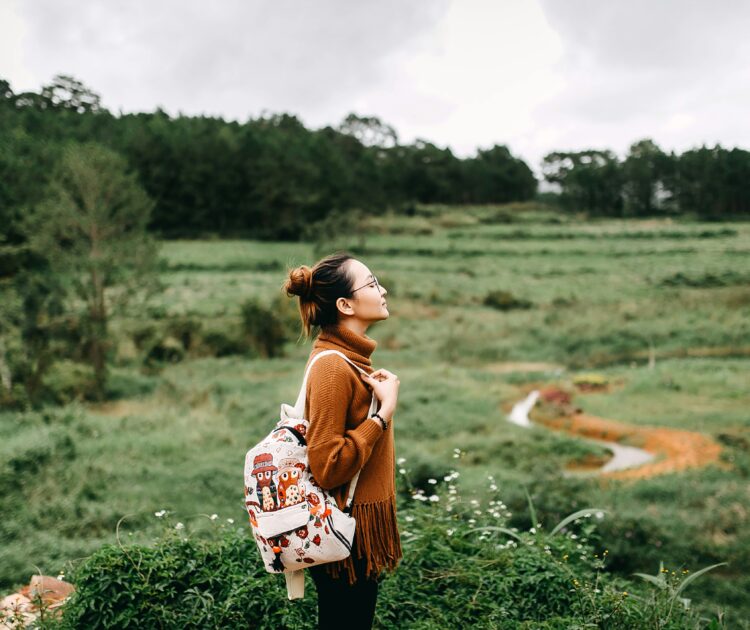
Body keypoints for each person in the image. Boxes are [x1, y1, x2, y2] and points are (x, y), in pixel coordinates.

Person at [283, 251, 402, 629]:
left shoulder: (349, 360)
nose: (382, 290)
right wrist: (383, 415)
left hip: (354, 529)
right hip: (343, 529)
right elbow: (328, 465)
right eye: (371, 283)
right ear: (345, 303)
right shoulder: (333, 366)